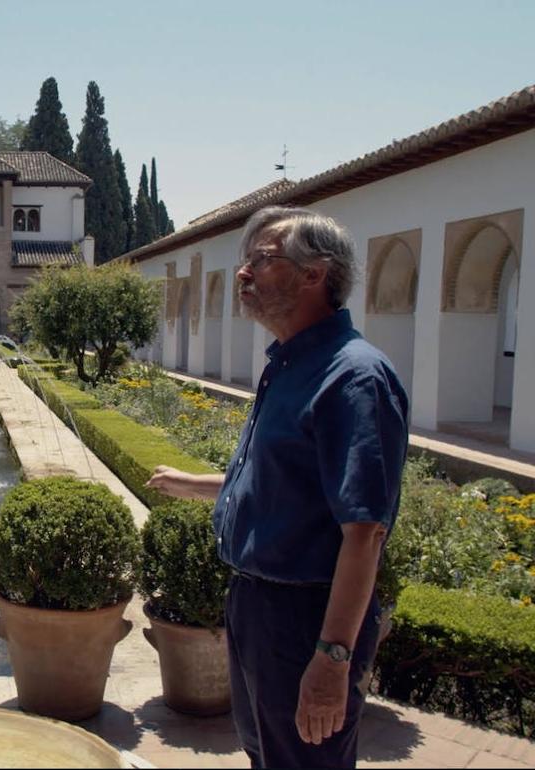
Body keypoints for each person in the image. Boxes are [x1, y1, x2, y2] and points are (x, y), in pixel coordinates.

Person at [147, 206, 408, 769]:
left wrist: (333, 657)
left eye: (261, 260)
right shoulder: (290, 364)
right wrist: (196, 484)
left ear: (315, 273)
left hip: (305, 616)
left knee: (305, 760)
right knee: (269, 755)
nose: (243, 274)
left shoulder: (352, 377)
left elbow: (364, 532)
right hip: (257, 606)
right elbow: (285, 481)